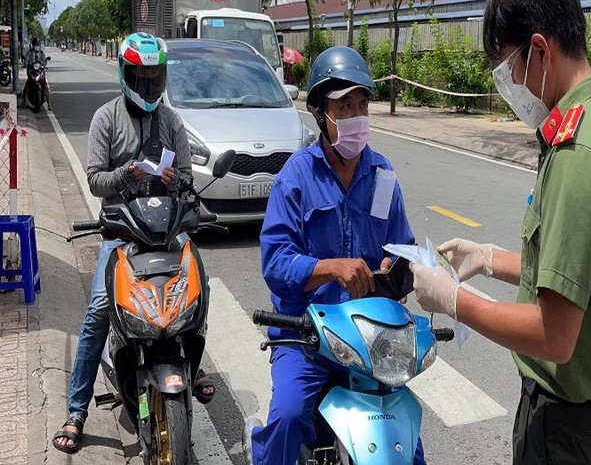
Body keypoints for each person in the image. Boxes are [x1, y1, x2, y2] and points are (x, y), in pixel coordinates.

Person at [409, 0, 591, 465]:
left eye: (508, 68)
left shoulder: (580, 152)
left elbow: (555, 336)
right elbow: (572, 273)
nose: (508, 85)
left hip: (567, 427)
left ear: (540, 50)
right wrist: (490, 258)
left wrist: (452, 299)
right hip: (576, 421)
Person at [245, 46, 424, 465]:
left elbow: (403, 248)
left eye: (363, 104)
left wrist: (398, 268)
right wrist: (330, 270)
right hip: (305, 337)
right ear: (321, 113)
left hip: (369, 340)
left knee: (407, 441)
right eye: (345, 105)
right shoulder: (295, 178)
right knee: (288, 418)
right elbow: (275, 264)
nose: (357, 115)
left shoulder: (382, 177)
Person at [51, 32, 214, 454]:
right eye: (140, 77)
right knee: (100, 309)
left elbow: (187, 178)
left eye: (154, 77)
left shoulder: (171, 119)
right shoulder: (105, 118)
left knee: (197, 287)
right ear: (125, 75)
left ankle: (191, 367)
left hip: (167, 228)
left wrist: (172, 178)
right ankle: (76, 410)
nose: (148, 86)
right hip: (122, 232)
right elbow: (94, 179)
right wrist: (129, 175)